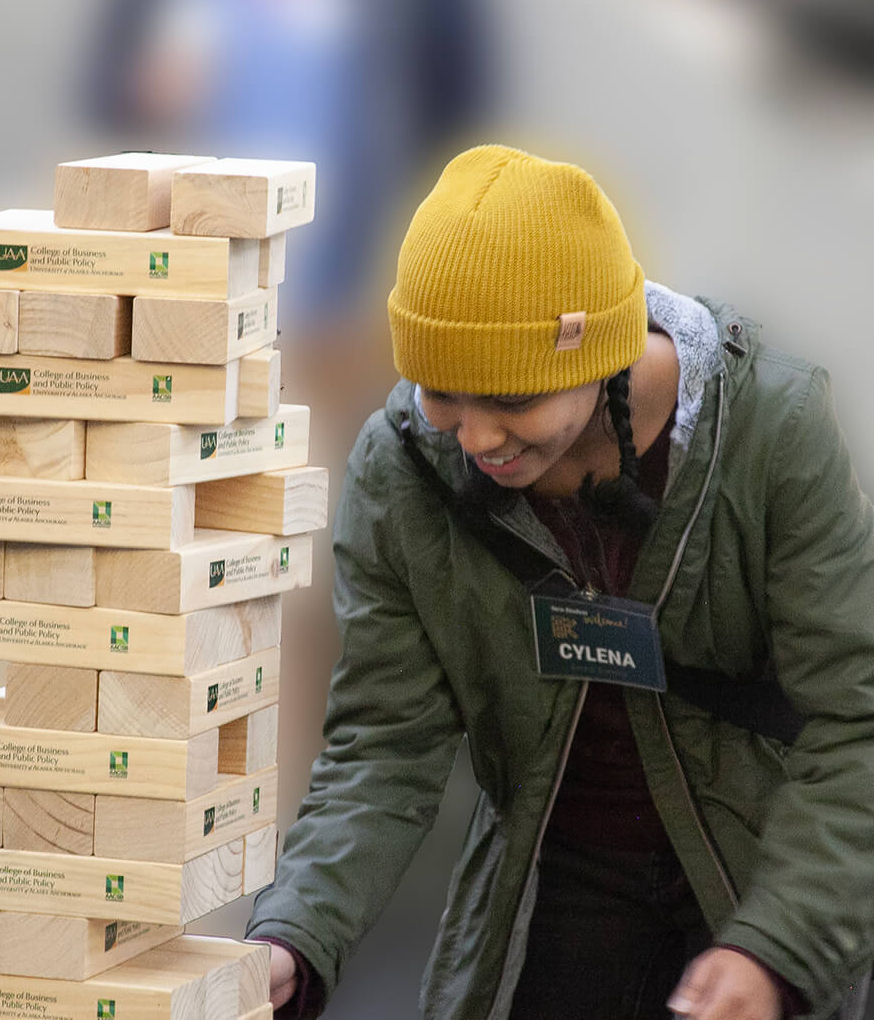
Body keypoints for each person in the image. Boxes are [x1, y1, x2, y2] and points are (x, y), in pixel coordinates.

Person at [244, 144, 874, 1019]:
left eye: (511, 399)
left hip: (760, 878)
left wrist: (778, 950)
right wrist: (293, 933)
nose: (475, 438)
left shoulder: (773, 434)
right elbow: (386, 744)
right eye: (443, 394)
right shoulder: (402, 472)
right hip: (561, 886)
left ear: (603, 354)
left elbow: (858, 720)